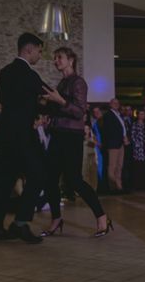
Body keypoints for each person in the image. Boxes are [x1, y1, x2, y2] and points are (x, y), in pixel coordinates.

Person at [0, 33, 48, 243]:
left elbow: (1, 99)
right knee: (39, 174)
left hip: (5, 135)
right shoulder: (30, 75)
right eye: (39, 50)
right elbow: (46, 95)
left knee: (4, 183)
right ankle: (20, 223)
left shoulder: (6, 72)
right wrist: (63, 103)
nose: (39, 55)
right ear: (29, 50)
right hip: (22, 136)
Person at [41, 47, 111, 237]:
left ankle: (101, 217)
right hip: (57, 134)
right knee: (50, 179)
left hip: (71, 136)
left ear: (71, 60)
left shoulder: (78, 82)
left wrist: (59, 101)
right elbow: (59, 110)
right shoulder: (62, 83)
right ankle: (56, 218)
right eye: (55, 58)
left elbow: (79, 111)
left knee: (74, 180)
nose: (56, 61)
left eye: (59, 57)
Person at [103, 98, 127, 192]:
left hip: (121, 143)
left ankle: (119, 185)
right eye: (114, 103)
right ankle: (112, 186)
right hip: (113, 144)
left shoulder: (119, 115)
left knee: (119, 165)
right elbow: (108, 130)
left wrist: (124, 137)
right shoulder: (108, 115)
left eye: (117, 103)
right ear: (110, 104)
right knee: (112, 165)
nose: (116, 104)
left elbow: (122, 128)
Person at [131, 109, 145, 189]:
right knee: (137, 166)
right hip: (138, 148)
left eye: (143, 114)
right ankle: (137, 184)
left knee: (144, 166)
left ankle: (144, 184)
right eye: (141, 114)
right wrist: (137, 145)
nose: (142, 116)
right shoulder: (135, 124)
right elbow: (132, 136)